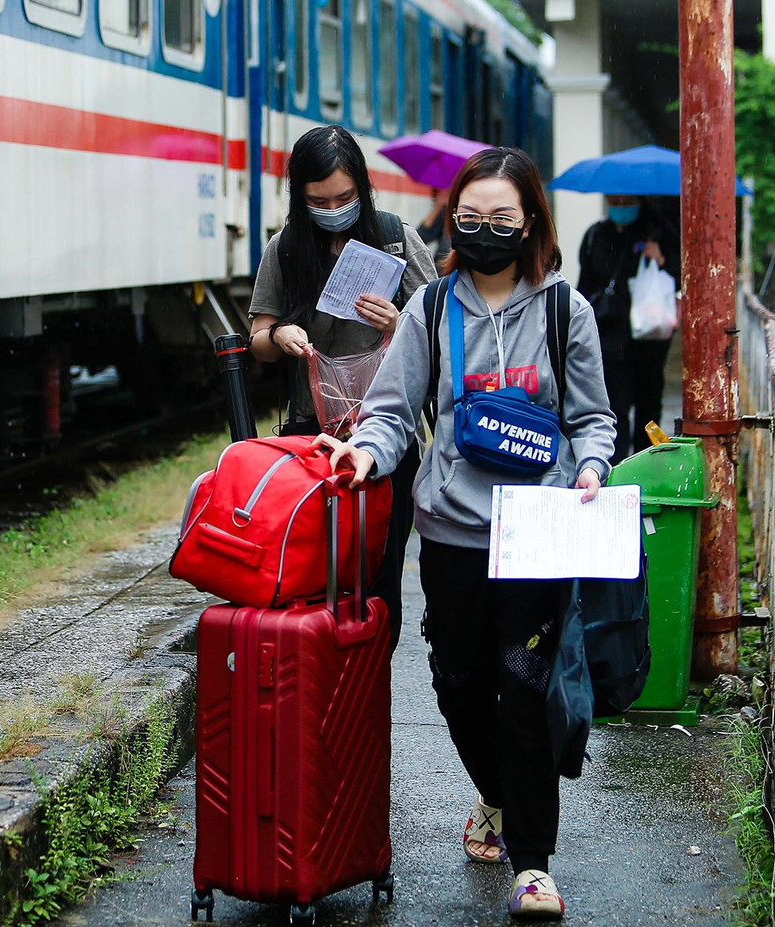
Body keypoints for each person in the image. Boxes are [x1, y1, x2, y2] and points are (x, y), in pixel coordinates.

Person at [312, 147, 616, 920]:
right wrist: (365, 453)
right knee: (455, 683)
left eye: (502, 219)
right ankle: (497, 793)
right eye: (471, 219)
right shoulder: (431, 308)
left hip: (536, 530)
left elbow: (591, 417)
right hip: (450, 533)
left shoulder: (564, 311)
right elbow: (389, 408)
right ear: (453, 220)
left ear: (532, 223)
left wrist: (589, 468)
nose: (485, 232)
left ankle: (533, 863)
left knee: (521, 686)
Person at [248, 125, 436, 649]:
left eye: (346, 198)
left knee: (379, 578)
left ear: (364, 188)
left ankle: (370, 694)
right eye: (319, 201)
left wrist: (400, 323)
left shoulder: (396, 236)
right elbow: (257, 338)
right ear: (299, 197)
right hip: (312, 442)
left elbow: (442, 329)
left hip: (388, 437)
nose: (334, 208)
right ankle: (322, 691)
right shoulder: (285, 248)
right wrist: (279, 333)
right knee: (316, 576)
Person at [576, 195, 681, 462]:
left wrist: (660, 259)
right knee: (614, 408)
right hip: (610, 335)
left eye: (626, 200)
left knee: (649, 407)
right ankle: (616, 467)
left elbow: (681, 276)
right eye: (614, 200)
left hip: (650, 340)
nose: (620, 206)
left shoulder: (659, 232)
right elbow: (585, 285)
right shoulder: (596, 235)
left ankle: (647, 464)